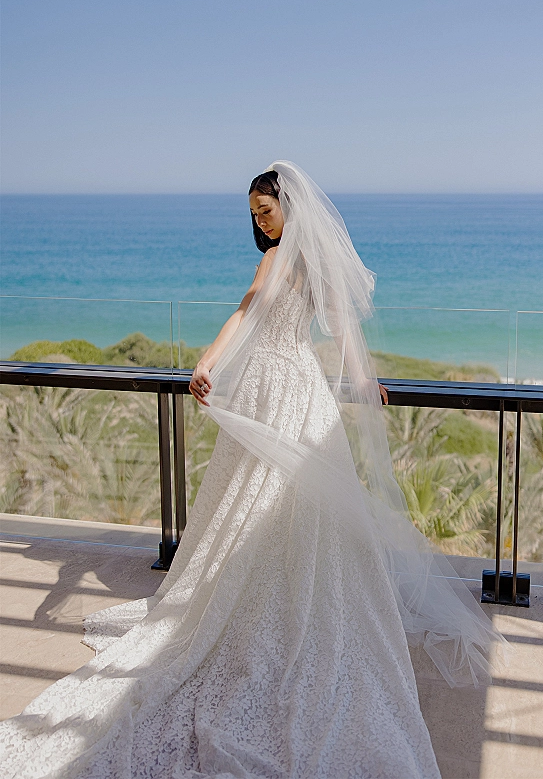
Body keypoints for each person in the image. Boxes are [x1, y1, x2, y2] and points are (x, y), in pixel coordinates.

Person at [1, 161, 504, 779]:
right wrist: (205, 363)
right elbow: (242, 315)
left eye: (264, 212)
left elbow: (344, 328)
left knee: (296, 502)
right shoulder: (271, 260)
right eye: (253, 216)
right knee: (248, 499)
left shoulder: (307, 264)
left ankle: (296, 613)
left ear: (288, 205)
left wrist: (364, 378)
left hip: (294, 389)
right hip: (264, 387)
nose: (259, 224)